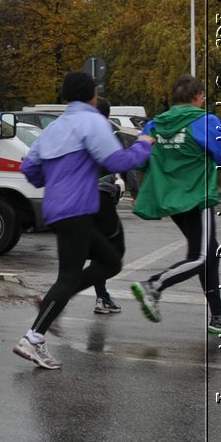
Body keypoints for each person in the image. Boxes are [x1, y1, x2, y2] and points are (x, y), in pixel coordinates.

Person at [14, 72, 154, 369]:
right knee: (67, 277)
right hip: (76, 210)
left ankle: (50, 305)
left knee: (111, 261)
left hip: (58, 208)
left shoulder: (55, 126)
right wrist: (144, 144)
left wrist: (55, 177)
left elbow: (30, 168)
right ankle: (33, 338)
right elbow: (118, 162)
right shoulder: (92, 121)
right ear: (92, 95)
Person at [130, 74, 221, 338]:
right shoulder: (203, 121)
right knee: (203, 256)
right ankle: (154, 284)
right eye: (203, 96)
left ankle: (218, 316)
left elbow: (140, 161)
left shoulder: (155, 125)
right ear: (197, 97)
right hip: (196, 196)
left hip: (170, 199)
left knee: (207, 253)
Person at [89, 97, 125, 315]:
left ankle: (101, 296)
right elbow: (123, 162)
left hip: (78, 199)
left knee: (91, 251)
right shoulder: (109, 133)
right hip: (102, 197)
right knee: (111, 252)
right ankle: (100, 297)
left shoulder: (82, 130)